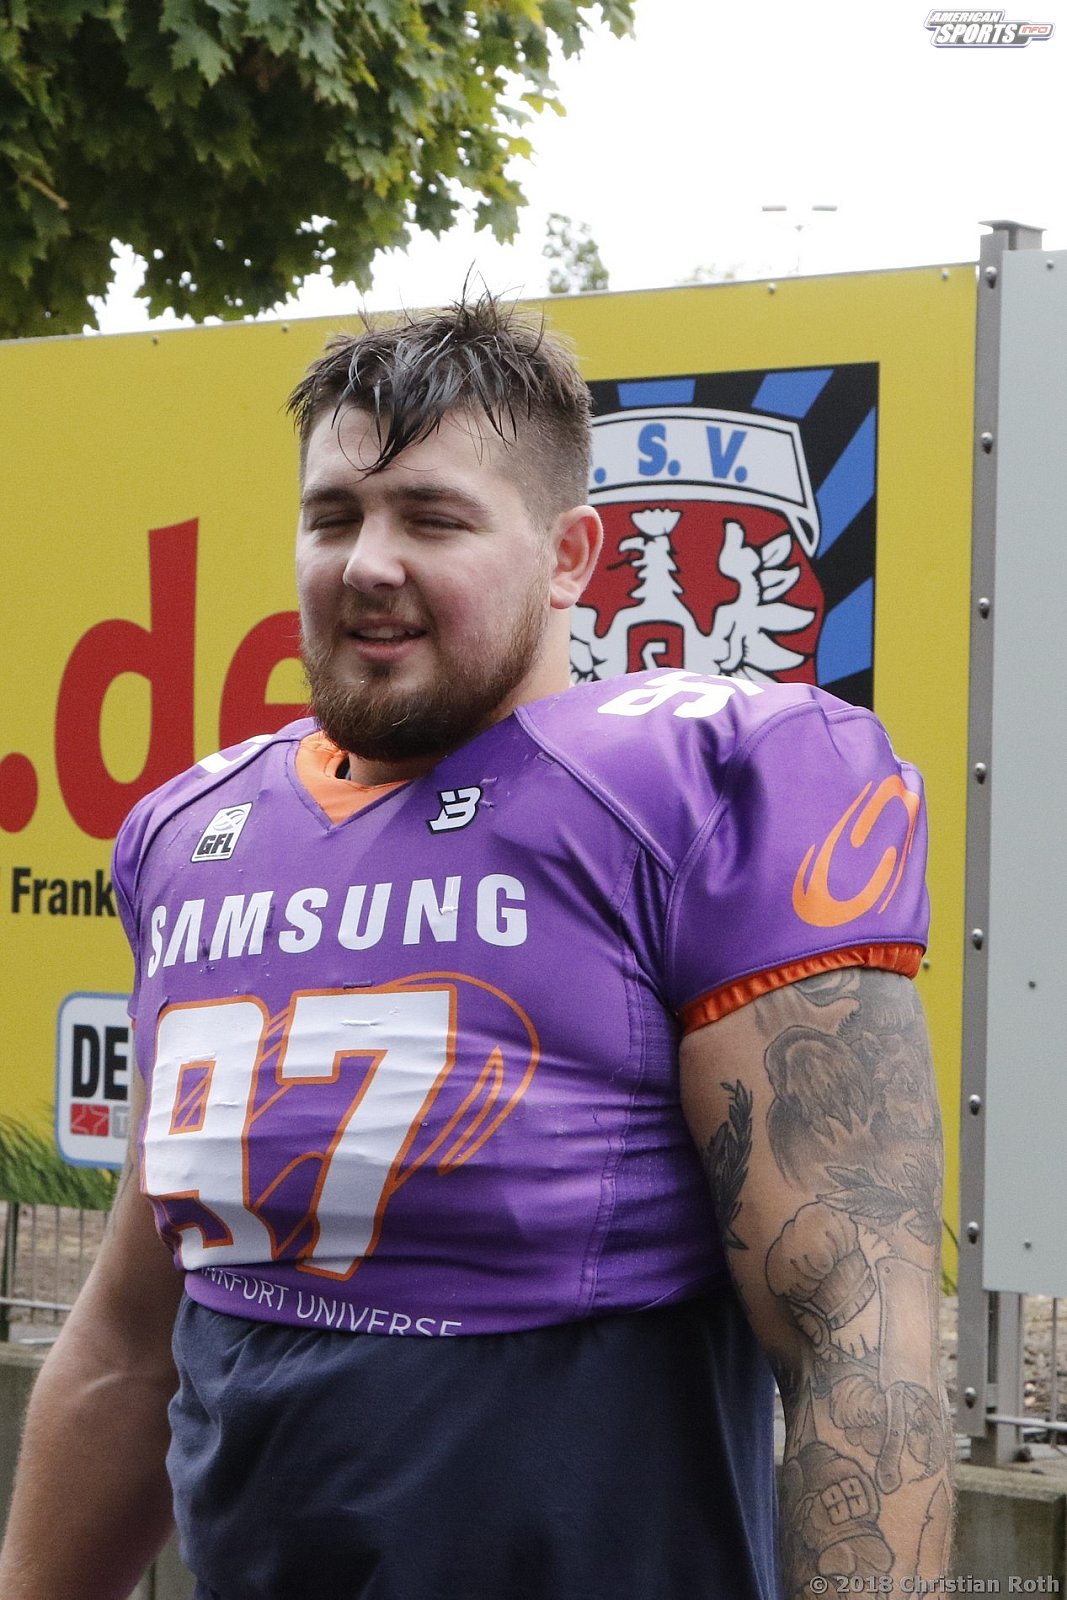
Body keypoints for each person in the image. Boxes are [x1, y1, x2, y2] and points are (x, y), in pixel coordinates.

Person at [0, 294, 952, 1600]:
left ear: (570, 555)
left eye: (432, 518)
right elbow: (128, 1346)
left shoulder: (704, 790)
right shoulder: (196, 832)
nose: (367, 562)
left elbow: (861, 1339)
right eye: (334, 516)